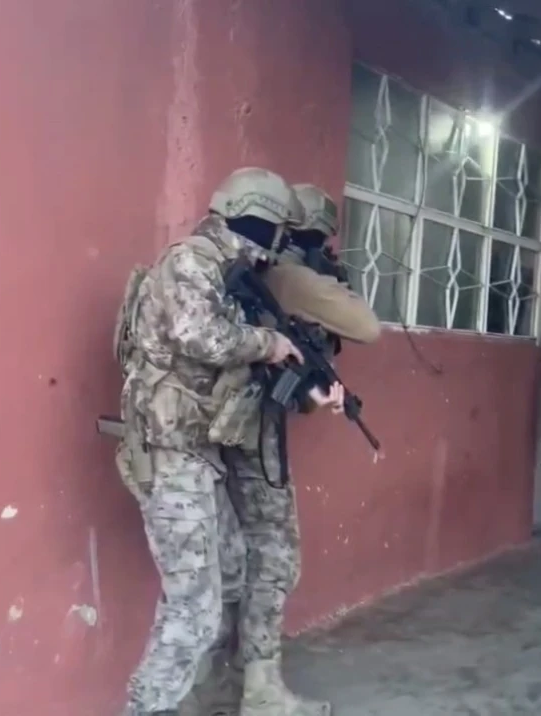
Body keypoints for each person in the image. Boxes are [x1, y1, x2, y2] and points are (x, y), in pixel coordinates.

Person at [185, 182, 379, 716]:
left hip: (207, 432)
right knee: (274, 558)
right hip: (250, 434)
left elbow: (301, 390)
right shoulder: (288, 277)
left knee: (226, 561)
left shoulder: (228, 267)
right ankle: (260, 689)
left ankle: (213, 682)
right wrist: (324, 284)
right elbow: (367, 326)